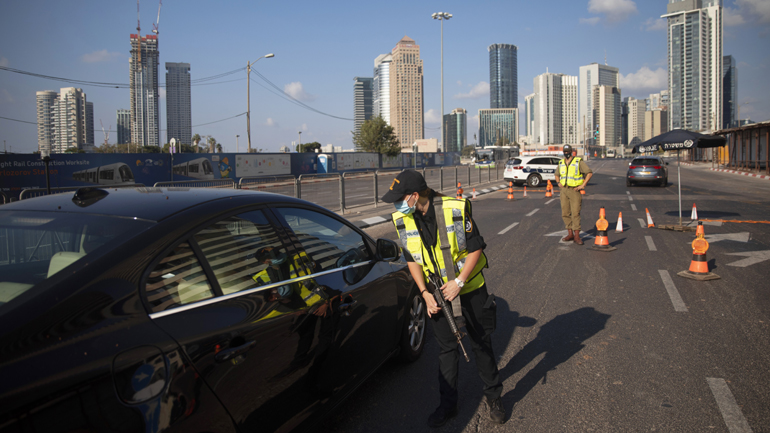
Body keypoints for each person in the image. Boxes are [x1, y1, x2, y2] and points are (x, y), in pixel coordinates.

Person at [381, 170, 504, 427]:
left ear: (414, 196)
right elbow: (411, 258)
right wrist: (424, 293)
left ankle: (494, 398)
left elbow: (476, 247)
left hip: (469, 288)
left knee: (481, 345)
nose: (396, 205)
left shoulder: (454, 209)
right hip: (437, 294)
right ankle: (447, 406)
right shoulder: (403, 220)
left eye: (399, 199)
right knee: (447, 351)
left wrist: (459, 282)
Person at [554, 144, 593, 245]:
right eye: (565, 152)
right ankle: (570, 233)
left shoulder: (578, 162)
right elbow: (557, 174)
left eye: (568, 152)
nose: (566, 153)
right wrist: (558, 183)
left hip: (574, 191)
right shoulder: (561, 162)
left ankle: (576, 235)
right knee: (565, 213)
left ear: (571, 152)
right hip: (564, 191)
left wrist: (582, 185)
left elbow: (589, 173)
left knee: (575, 213)